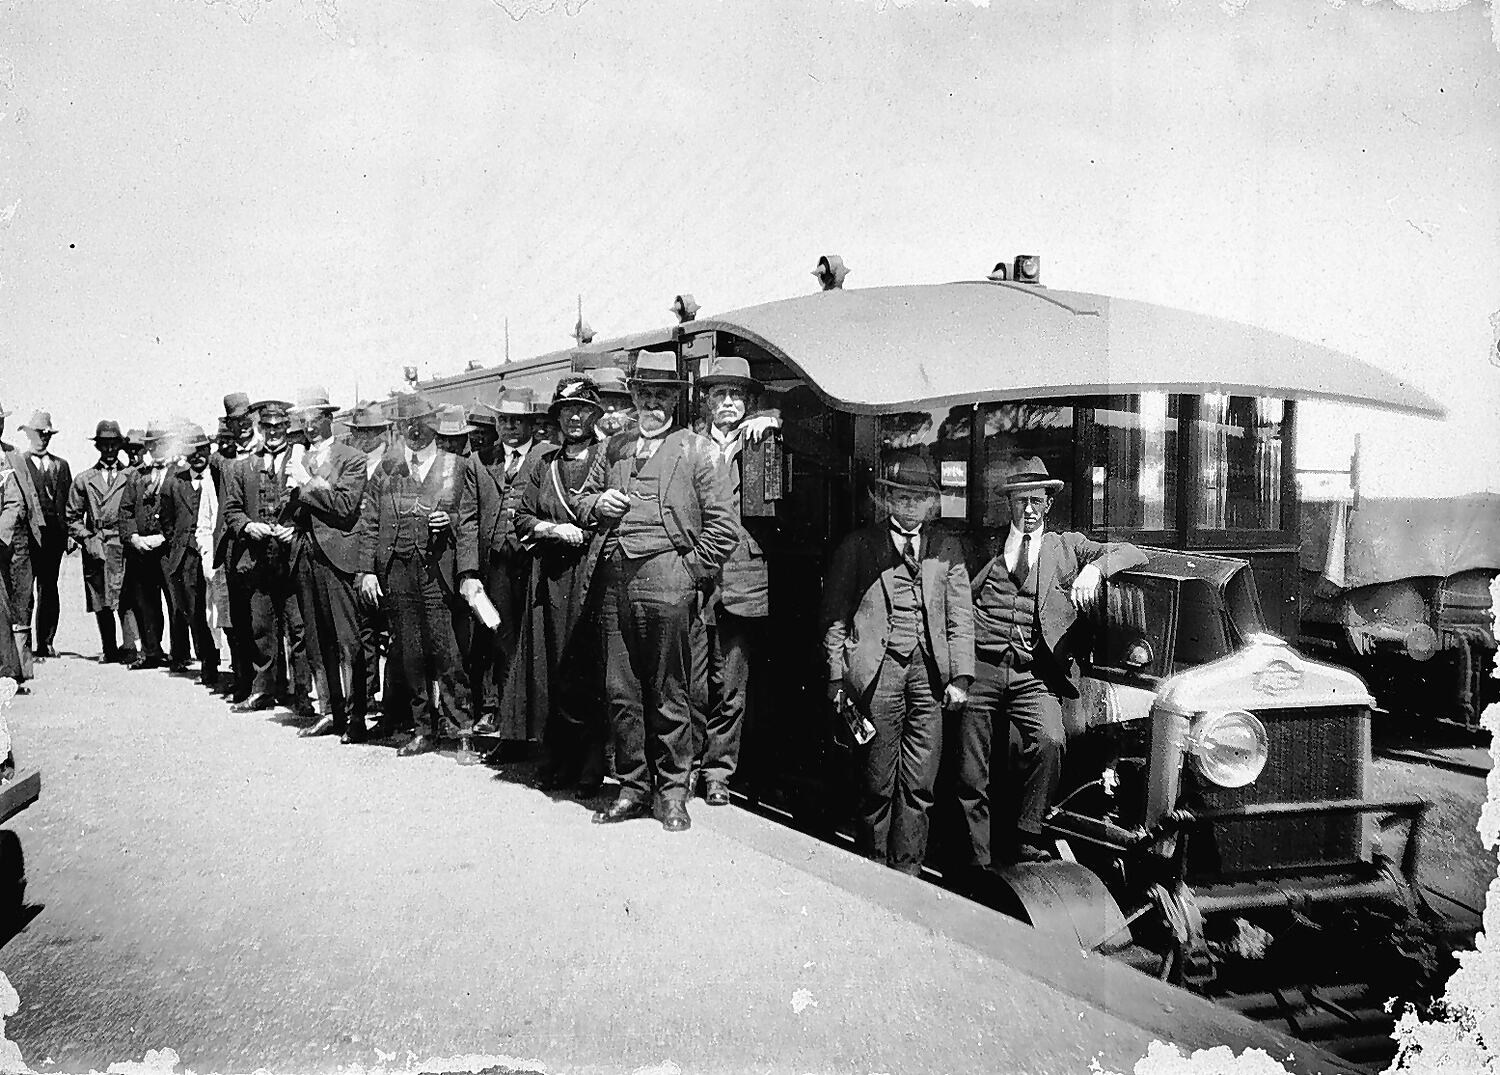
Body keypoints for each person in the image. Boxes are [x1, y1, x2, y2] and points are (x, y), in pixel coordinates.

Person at [571, 350, 740, 832]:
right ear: (634, 397)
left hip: (669, 580)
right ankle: (632, 786)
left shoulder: (697, 450)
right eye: (645, 394)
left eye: (662, 395)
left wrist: (687, 572)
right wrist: (597, 504)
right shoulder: (614, 448)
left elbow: (724, 529)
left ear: (675, 400)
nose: (652, 404)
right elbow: (582, 502)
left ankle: (672, 792)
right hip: (614, 581)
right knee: (620, 690)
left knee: (670, 691)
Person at [956, 457, 1146, 871]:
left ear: (1048, 504)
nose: (1028, 509)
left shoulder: (1066, 546)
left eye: (1036, 501)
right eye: (1020, 500)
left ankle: (1026, 836)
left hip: (1034, 675)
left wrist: (1095, 569)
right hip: (982, 667)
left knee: (1051, 740)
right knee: (971, 769)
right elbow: (956, 599)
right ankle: (976, 858)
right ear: (1008, 503)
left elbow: (1133, 551)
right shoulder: (985, 547)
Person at [820, 450, 975, 875]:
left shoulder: (947, 548)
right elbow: (834, 617)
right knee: (876, 781)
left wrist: (961, 677)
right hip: (877, 674)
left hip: (930, 676)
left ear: (931, 503)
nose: (909, 505)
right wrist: (836, 677)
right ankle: (873, 869)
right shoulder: (859, 546)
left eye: (918, 498)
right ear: (887, 500)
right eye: (901, 497)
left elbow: (961, 617)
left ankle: (908, 873)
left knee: (920, 784)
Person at [497, 376, 610, 795]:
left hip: (593, 576)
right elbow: (522, 515)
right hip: (551, 578)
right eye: (567, 410)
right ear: (557, 417)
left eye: (582, 409)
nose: (574, 417)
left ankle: (591, 766)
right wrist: (552, 529)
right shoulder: (544, 463)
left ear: (594, 414)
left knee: (590, 669)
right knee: (550, 668)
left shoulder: (607, 457)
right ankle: (558, 759)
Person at [357, 393, 477, 757]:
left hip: (438, 570)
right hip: (398, 570)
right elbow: (369, 521)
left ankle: (461, 728)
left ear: (434, 425)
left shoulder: (456, 466)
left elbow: (469, 520)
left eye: (421, 423)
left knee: (447, 649)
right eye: (407, 425)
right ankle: (423, 728)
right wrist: (367, 571)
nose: (415, 431)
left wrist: (449, 521)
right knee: (410, 651)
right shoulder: (388, 469)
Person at [686, 357, 783, 805]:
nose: (728, 402)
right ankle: (685, 766)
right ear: (707, 401)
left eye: (737, 395)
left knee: (731, 686)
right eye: (720, 394)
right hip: (696, 578)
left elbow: (821, 450)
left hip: (743, 582)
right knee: (691, 681)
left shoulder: (764, 439)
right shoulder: (688, 445)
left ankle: (717, 774)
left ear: (749, 401)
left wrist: (776, 419)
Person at [284, 388, 369, 742]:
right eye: (303, 420)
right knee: (317, 639)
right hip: (305, 554)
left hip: (338, 555)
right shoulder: (298, 457)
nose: (308, 426)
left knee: (348, 640)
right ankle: (330, 712)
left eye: (315, 418)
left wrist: (307, 482)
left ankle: (356, 716)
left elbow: (346, 506)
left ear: (329, 418)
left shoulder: (352, 458)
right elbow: (290, 505)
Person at [221, 400, 314, 714]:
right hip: (258, 561)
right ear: (260, 428)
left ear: (287, 428)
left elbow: (313, 506)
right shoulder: (242, 466)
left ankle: (302, 693)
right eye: (268, 427)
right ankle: (263, 689)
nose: (273, 433)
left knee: (298, 629)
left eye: (279, 427)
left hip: (293, 560)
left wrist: (297, 529)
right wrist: (249, 526)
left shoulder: (302, 460)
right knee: (261, 628)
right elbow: (232, 511)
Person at [460, 388, 536, 734]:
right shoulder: (480, 461)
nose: (510, 428)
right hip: (495, 564)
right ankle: (496, 711)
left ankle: (528, 714)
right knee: (495, 635)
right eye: (504, 421)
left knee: (529, 638)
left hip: (533, 562)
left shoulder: (544, 455)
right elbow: (467, 519)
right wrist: (468, 571)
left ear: (530, 423)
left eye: (517, 421)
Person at [343, 401, 400, 734]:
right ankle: (360, 711)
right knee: (360, 637)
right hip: (355, 561)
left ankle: (393, 711)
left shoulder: (395, 464)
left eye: (370, 432)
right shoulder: (348, 463)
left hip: (387, 562)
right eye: (359, 432)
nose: (364, 438)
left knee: (394, 638)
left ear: (383, 432)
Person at [65, 421, 133, 662]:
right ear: (98, 447)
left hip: (123, 542)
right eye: (104, 444)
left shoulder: (130, 475)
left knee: (126, 596)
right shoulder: (84, 479)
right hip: (98, 542)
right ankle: (109, 648)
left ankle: (130, 647)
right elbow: (72, 517)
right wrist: (87, 538)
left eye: (114, 444)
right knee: (100, 597)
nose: (110, 449)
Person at [158, 424, 221, 687]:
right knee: (192, 610)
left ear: (209, 450)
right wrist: (179, 542)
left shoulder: (218, 477)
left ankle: (218, 660)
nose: (197, 456)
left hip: (212, 553)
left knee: (214, 610)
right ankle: (207, 660)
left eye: (202, 450)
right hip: (185, 556)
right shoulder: (175, 482)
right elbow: (167, 519)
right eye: (191, 452)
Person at [118, 423, 174, 670]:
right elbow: (126, 510)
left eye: (162, 443)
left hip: (168, 549)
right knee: (145, 602)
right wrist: (133, 538)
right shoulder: (136, 476)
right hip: (141, 549)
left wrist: (164, 537)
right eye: (152, 444)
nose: (157, 448)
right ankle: (151, 651)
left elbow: (184, 513)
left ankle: (180, 653)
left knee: (175, 601)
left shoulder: (177, 473)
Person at [18, 411, 71, 660]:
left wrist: (69, 534)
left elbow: (68, 504)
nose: (43, 438)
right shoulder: (20, 463)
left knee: (49, 588)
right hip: (28, 536)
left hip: (54, 539)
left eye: (47, 434)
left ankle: (46, 642)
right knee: (25, 591)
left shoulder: (61, 465)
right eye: (39, 434)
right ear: (29, 435)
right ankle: (24, 645)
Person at [0, 403, 41, 676]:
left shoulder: (13, 454)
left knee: (22, 601)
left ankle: (21, 669)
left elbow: (22, 499)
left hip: (18, 542)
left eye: (0, 420)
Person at [589, 366, 636, 438]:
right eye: (604, 403)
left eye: (617, 403)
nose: (611, 409)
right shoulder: (584, 442)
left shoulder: (638, 441)